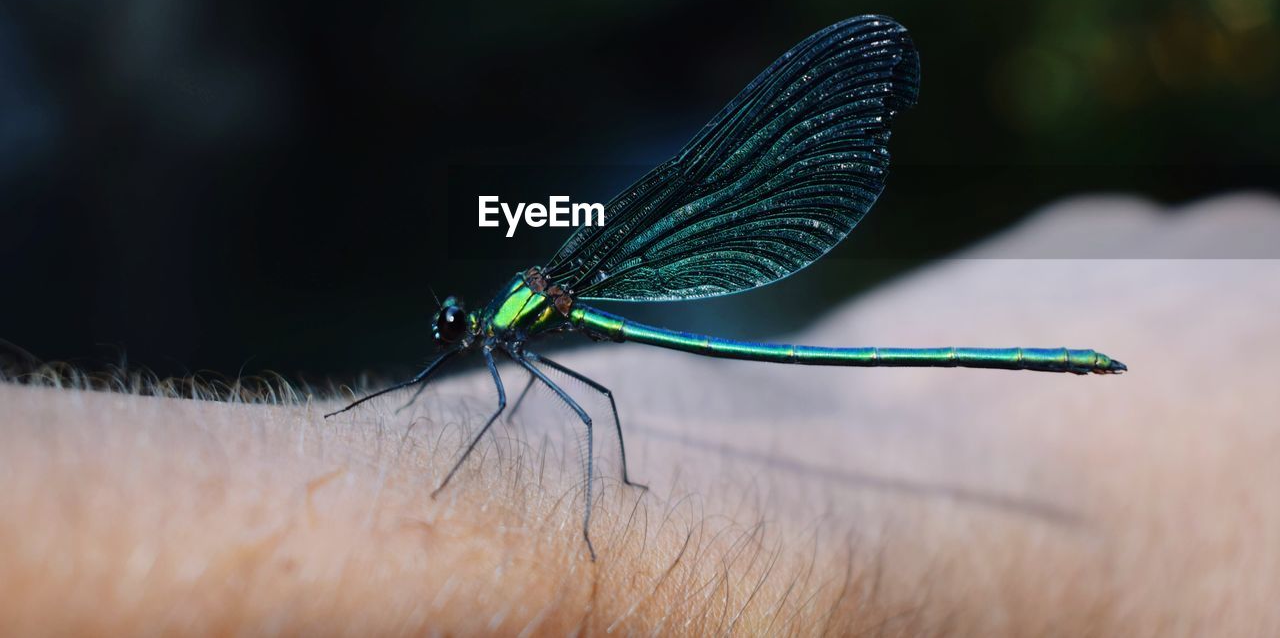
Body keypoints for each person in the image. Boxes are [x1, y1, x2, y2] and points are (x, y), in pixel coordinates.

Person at [3, 195, 1277, 635]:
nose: (460, 345)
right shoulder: (509, 319)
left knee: (597, 389)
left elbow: (585, 403)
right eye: (463, 337)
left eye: (465, 333)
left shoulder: (530, 319)